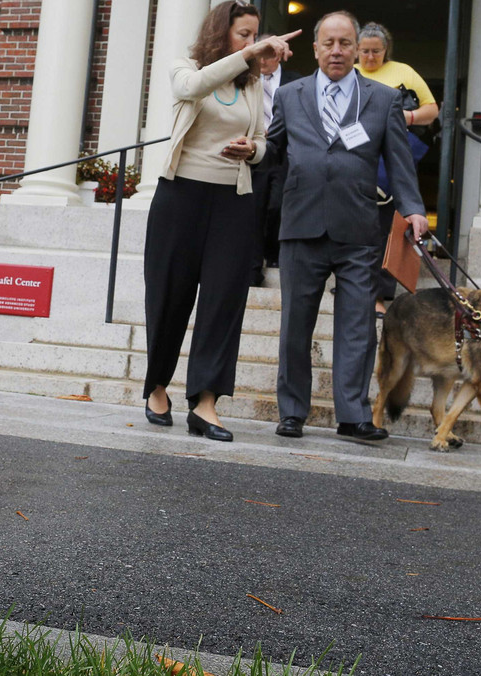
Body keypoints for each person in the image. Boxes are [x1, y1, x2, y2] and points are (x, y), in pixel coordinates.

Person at [263, 11, 428, 442]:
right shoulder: (289, 95)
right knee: (295, 325)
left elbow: (399, 161)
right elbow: (273, 148)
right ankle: (292, 411)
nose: (337, 51)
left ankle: (353, 416)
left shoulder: (383, 99)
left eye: (345, 43)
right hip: (301, 226)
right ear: (315, 48)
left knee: (358, 325)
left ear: (358, 49)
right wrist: (251, 152)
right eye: (328, 43)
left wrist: (412, 208)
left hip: (359, 229)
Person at [142, 1, 297, 442]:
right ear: (220, 33)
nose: (251, 43)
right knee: (169, 295)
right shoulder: (185, 66)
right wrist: (250, 56)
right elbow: (192, 88)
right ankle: (157, 387)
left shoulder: (251, 85)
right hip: (180, 196)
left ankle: (205, 403)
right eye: (242, 34)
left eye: (254, 36)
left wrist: (253, 151)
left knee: (224, 301)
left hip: (234, 200)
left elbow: (266, 142)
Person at [355, 21, 438, 316]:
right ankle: (351, 287)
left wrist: (408, 117)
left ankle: (379, 294)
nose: (369, 57)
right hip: (355, 160)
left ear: (385, 49)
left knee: (388, 227)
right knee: (355, 225)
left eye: (375, 51)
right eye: (364, 51)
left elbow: (432, 110)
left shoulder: (404, 72)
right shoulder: (349, 72)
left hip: (390, 161)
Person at [249, 37, 302, 286]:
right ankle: (252, 265)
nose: (262, 61)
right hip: (255, 153)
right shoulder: (247, 79)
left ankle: (273, 253)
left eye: (268, 55)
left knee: (277, 204)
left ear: (279, 55)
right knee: (254, 206)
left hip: (283, 154)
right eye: (260, 55)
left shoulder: (296, 81)